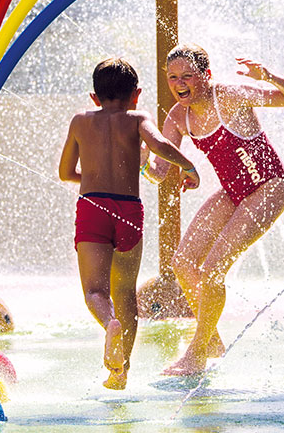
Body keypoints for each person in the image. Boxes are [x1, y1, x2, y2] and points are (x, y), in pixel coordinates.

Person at [145, 44, 284, 376]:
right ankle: (213, 340)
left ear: (206, 75)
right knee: (183, 263)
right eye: (173, 77)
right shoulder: (178, 116)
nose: (179, 84)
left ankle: (197, 353)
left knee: (212, 269)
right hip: (234, 193)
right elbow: (159, 172)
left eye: (187, 76)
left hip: (269, 185)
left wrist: (269, 76)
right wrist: (138, 157)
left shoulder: (230, 95)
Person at [58, 57, 201, 390]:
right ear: (136, 94)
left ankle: (109, 326)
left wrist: (92, 179)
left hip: (92, 206)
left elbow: (65, 173)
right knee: (125, 295)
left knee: (96, 291)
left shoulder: (81, 121)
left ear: (94, 97)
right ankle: (123, 370)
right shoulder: (138, 118)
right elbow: (160, 145)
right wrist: (189, 167)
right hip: (128, 212)